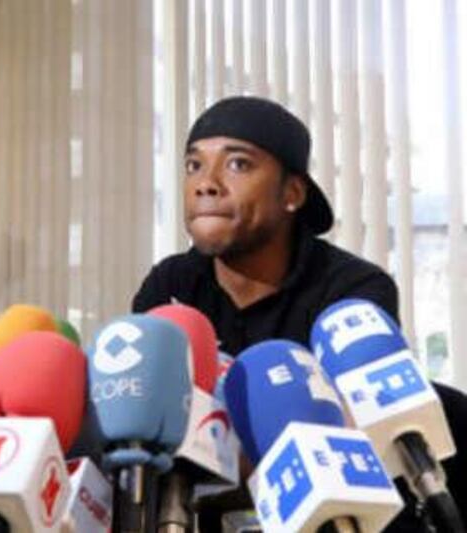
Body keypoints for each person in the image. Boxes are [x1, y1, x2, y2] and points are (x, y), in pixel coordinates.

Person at [132, 96, 466, 532]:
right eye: (193, 166)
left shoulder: (354, 294)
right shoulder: (170, 288)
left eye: (237, 165)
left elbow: (348, 451)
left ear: (292, 193)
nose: (205, 184)